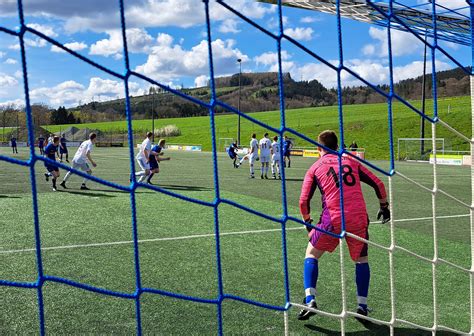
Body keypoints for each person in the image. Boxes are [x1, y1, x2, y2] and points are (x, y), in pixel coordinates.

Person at [297, 130, 390, 322]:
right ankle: (361, 306)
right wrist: (384, 206)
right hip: (358, 218)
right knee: (361, 260)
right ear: (336, 146)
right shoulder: (351, 161)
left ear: (318, 149)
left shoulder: (314, 167)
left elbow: (303, 201)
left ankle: (310, 300)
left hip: (333, 218)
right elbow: (379, 183)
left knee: (311, 254)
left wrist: (308, 223)